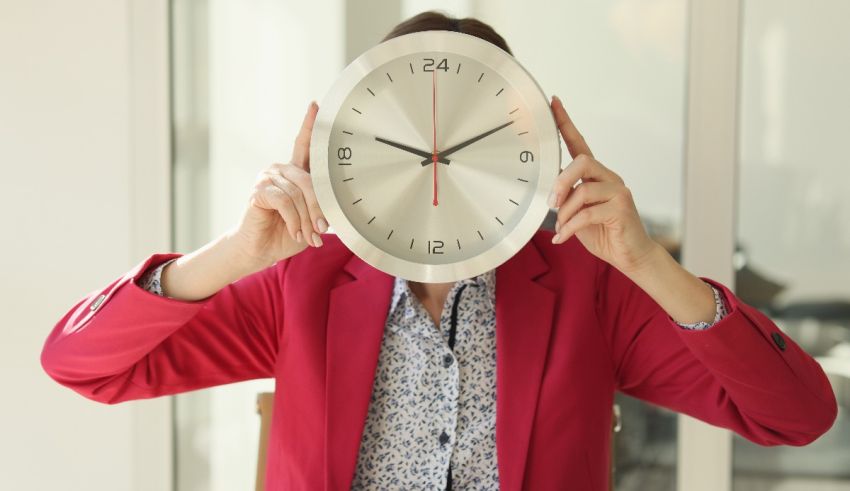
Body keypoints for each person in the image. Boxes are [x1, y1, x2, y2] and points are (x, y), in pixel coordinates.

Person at [40, 11, 837, 491]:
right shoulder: (304, 279)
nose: (437, 166)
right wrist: (230, 254)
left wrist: (648, 263)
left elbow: (797, 413)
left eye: (471, 142)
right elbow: (81, 364)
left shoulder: (585, 283)